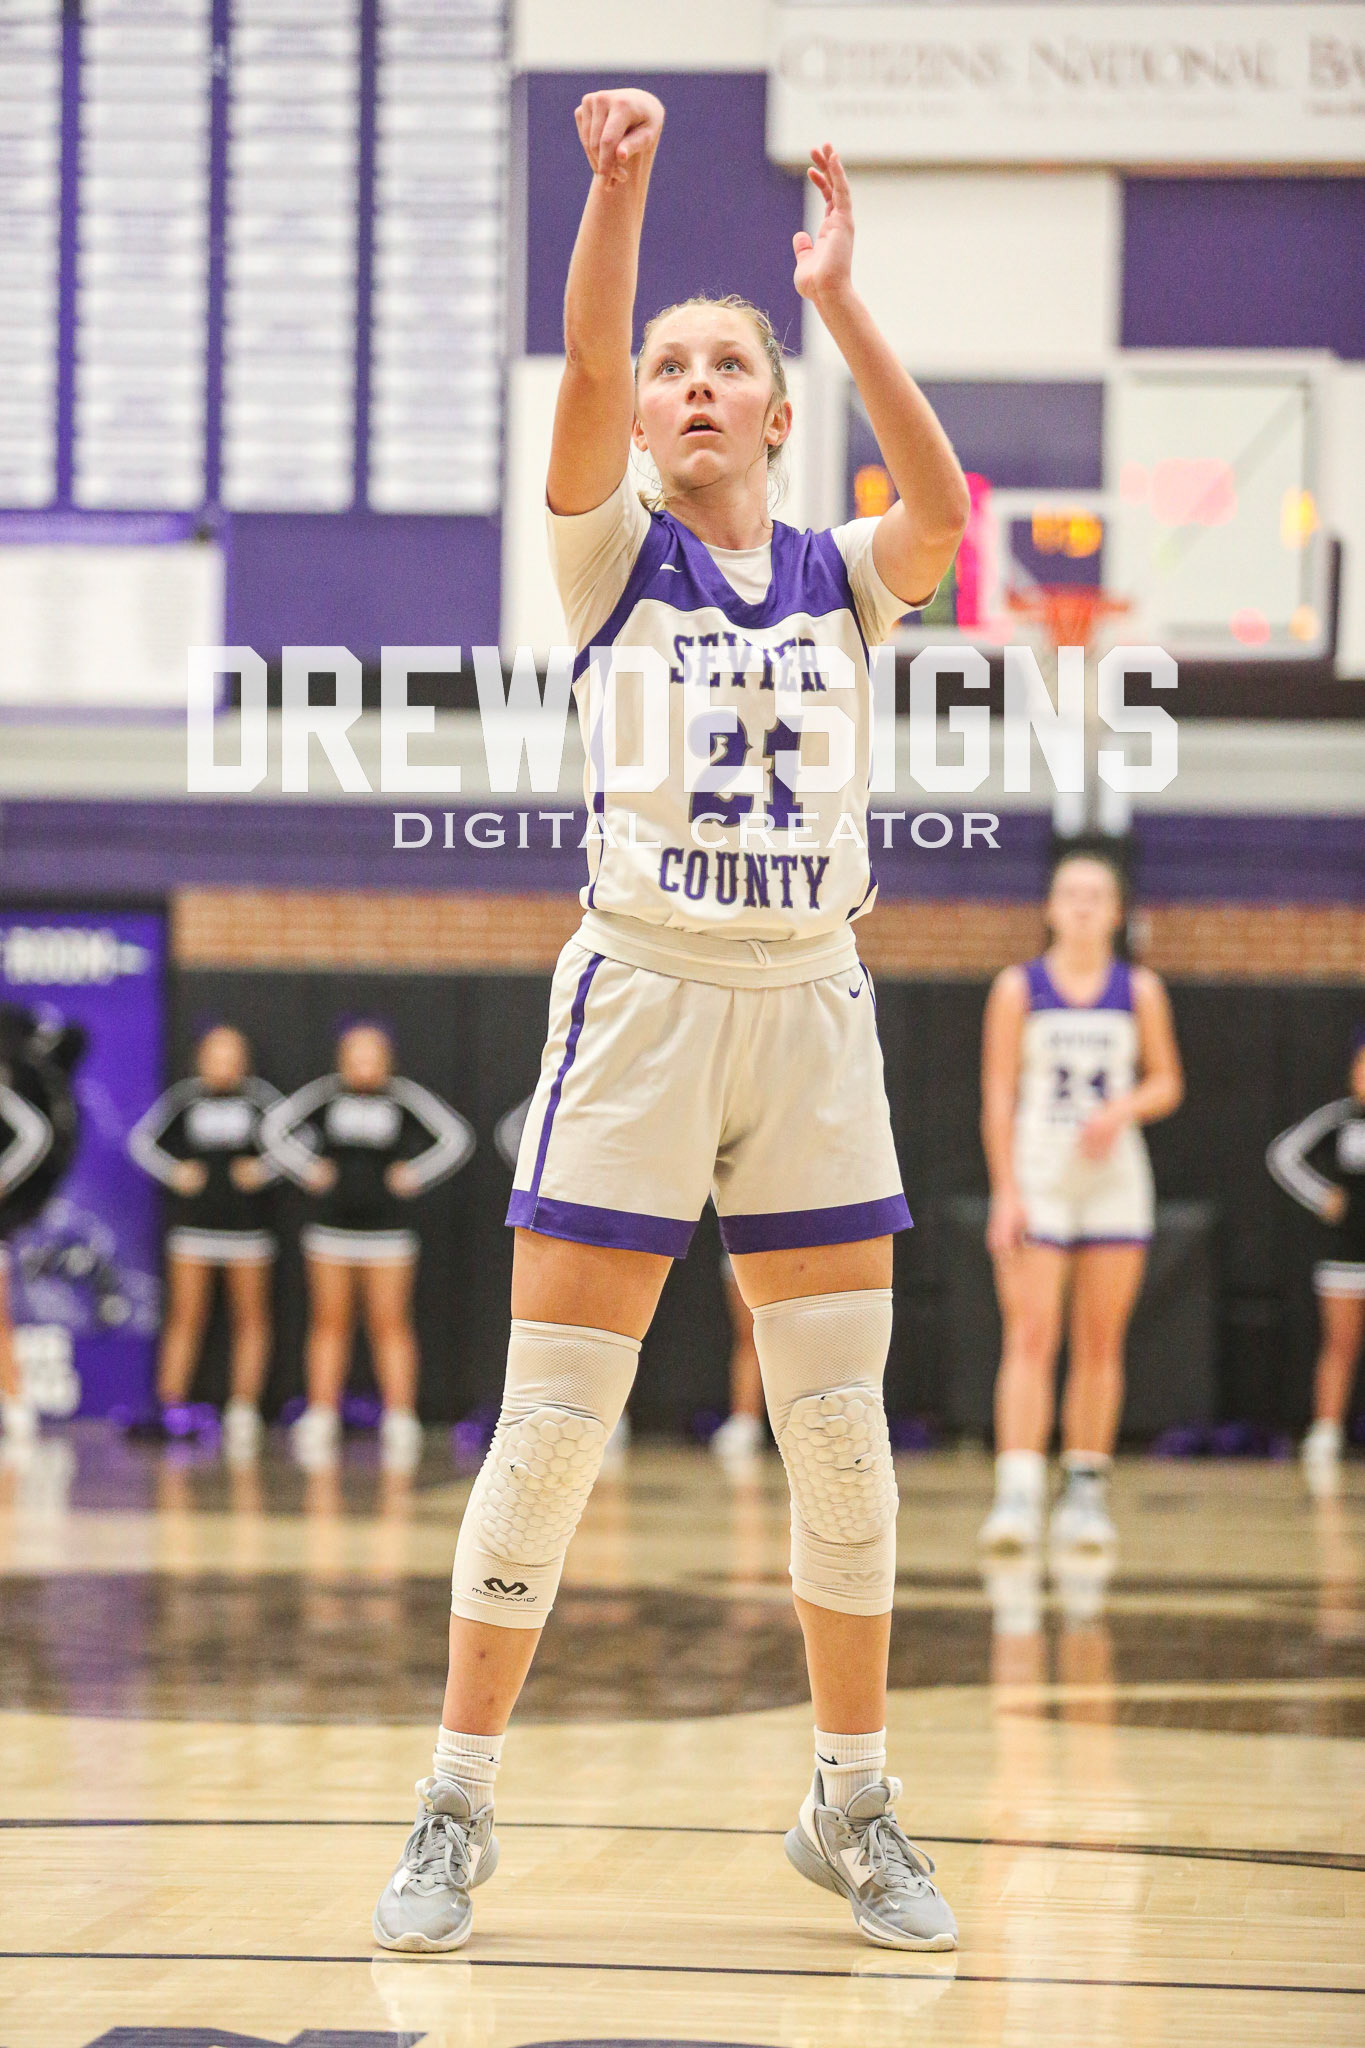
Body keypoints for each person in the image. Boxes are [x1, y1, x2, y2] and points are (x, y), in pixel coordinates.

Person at [372, 86, 971, 1957]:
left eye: (730, 366)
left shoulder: (845, 578)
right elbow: (577, 354)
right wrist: (616, 191)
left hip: (810, 1008)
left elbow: (946, 514)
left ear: (781, 413)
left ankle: (851, 1802)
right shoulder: (605, 552)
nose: (693, 383)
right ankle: (453, 1805)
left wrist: (841, 302)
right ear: (639, 416)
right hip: (640, 996)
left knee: (843, 1436)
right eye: (670, 368)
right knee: (553, 1429)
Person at [978, 851, 1184, 1552]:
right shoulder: (1018, 987)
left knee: (1100, 1341)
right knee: (1030, 1335)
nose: (1083, 905)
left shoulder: (1140, 989)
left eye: (1096, 895)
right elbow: (997, 1096)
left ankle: (1085, 1493)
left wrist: (1120, 1109)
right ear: (1050, 907)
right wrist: (1005, 1192)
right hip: (1039, 1175)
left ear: (1117, 912)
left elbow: (1167, 1082)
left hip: (1113, 1180)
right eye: (1070, 893)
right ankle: (1016, 1494)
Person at [263, 1024, 474, 1474]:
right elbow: (273, 1129)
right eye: (355, 1055)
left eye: (372, 1055)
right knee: (329, 1322)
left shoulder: (403, 1098)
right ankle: (322, 1413)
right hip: (330, 1229)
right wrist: (307, 1168)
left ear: (387, 1060)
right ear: (342, 1059)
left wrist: (415, 1173)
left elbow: (456, 1136)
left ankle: (400, 1416)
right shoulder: (325, 1096)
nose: (363, 1064)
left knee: (390, 1323)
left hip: (388, 1232)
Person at [127, 1025, 282, 1461]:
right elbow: (142, 1141)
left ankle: (243, 1409)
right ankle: (171, 1404)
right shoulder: (185, 1097)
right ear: (201, 1058)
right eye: (215, 1054)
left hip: (248, 1230)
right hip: (194, 1228)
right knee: (185, 1316)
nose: (223, 1064)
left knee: (250, 1318)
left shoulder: (262, 1100)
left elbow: (300, 1142)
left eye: (231, 1055)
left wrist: (264, 1169)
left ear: (244, 1060)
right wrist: (176, 1172)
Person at [1266, 1030, 1365, 1491]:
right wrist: (1322, 1196)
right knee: (1339, 1343)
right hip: (1343, 1253)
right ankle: (1325, 1432)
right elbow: (1283, 1154)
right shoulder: (1338, 1118)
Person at [711, 1250, 765, 1462]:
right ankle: (745, 1420)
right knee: (750, 1337)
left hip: (804, 1245)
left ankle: (820, 1413)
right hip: (747, 1244)